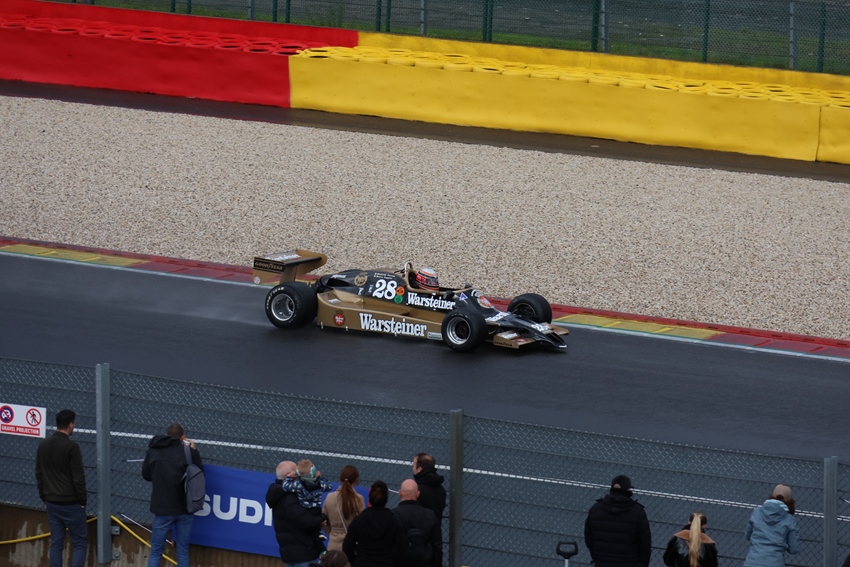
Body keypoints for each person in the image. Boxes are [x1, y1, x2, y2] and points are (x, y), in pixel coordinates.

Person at [142, 422, 203, 567]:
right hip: (185, 508)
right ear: (183, 438)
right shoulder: (188, 453)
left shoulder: (154, 450)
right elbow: (199, 476)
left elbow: (146, 475)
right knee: (183, 551)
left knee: (156, 551)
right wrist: (195, 452)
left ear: (166, 435)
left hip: (162, 507)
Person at [35, 408, 88, 567]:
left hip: (52, 501)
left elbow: (39, 473)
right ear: (70, 424)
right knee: (79, 542)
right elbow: (78, 477)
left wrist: (44, 496)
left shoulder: (43, 445)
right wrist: (82, 500)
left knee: (56, 542)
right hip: (71, 503)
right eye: (73, 423)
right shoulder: (72, 447)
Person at [267, 460, 328, 567]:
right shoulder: (289, 498)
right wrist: (322, 518)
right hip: (303, 554)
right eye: (297, 472)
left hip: (292, 554)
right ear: (289, 475)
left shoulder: (278, 494)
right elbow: (306, 521)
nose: (300, 474)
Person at [584, 474, 652, 567]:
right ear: (628, 490)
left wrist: (597, 558)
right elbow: (645, 544)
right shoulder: (637, 511)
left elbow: (589, 538)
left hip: (602, 562)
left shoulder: (596, 509)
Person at [343, 480, 407, 567]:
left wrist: (356, 561)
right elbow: (402, 551)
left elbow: (347, 547)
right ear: (386, 499)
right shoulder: (394, 522)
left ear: (369, 497)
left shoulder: (359, 521)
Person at [744, 484, 800, 566]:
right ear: (790, 501)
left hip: (752, 562)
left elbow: (748, 536)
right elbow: (794, 549)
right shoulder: (790, 520)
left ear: (771, 496)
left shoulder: (757, 512)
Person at [393, 479, 440, 567]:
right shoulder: (430, 515)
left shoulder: (393, 516)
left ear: (400, 493)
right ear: (418, 494)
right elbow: (436, 546)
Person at [412, 453, 446, 567]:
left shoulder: (417, 490)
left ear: (420, 469)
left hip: (418, 540)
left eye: (414, 465)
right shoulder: (441, 490)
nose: (413, 468)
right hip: (435, 537)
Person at [322, 465, 366, 551]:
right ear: (356, 480)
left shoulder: (330, 497)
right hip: (351, 545)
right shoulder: (358, 499)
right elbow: (363, 524)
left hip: (333, 545)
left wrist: (333, 532)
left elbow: (324, 521)